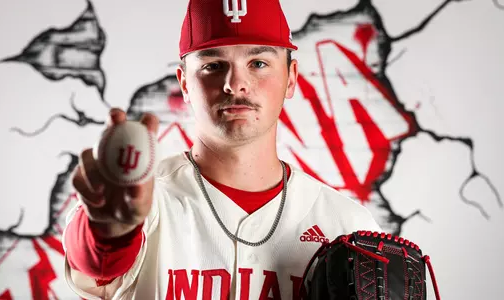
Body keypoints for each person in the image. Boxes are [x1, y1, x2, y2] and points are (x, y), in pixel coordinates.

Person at [62, 0, 381, 299]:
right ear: (185, 83)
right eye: (214, 65)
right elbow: (94, 265)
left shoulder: (349, 226)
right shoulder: (140, 201)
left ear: (291, 78)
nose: (235, 83)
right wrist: (110, 232)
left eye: (258, 62)